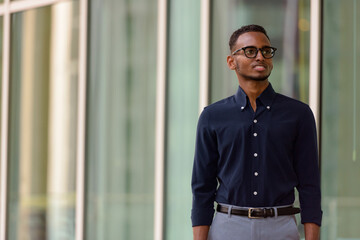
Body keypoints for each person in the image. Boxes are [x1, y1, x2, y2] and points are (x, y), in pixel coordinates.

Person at [191, 24, 322, 240]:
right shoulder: (212, 116)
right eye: (250, 51)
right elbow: (202, 188)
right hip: (228, 227)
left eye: (266, 51)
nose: (260, 56)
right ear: (231, 62)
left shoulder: (299, 114)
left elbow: (310, 185)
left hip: (281, 227)